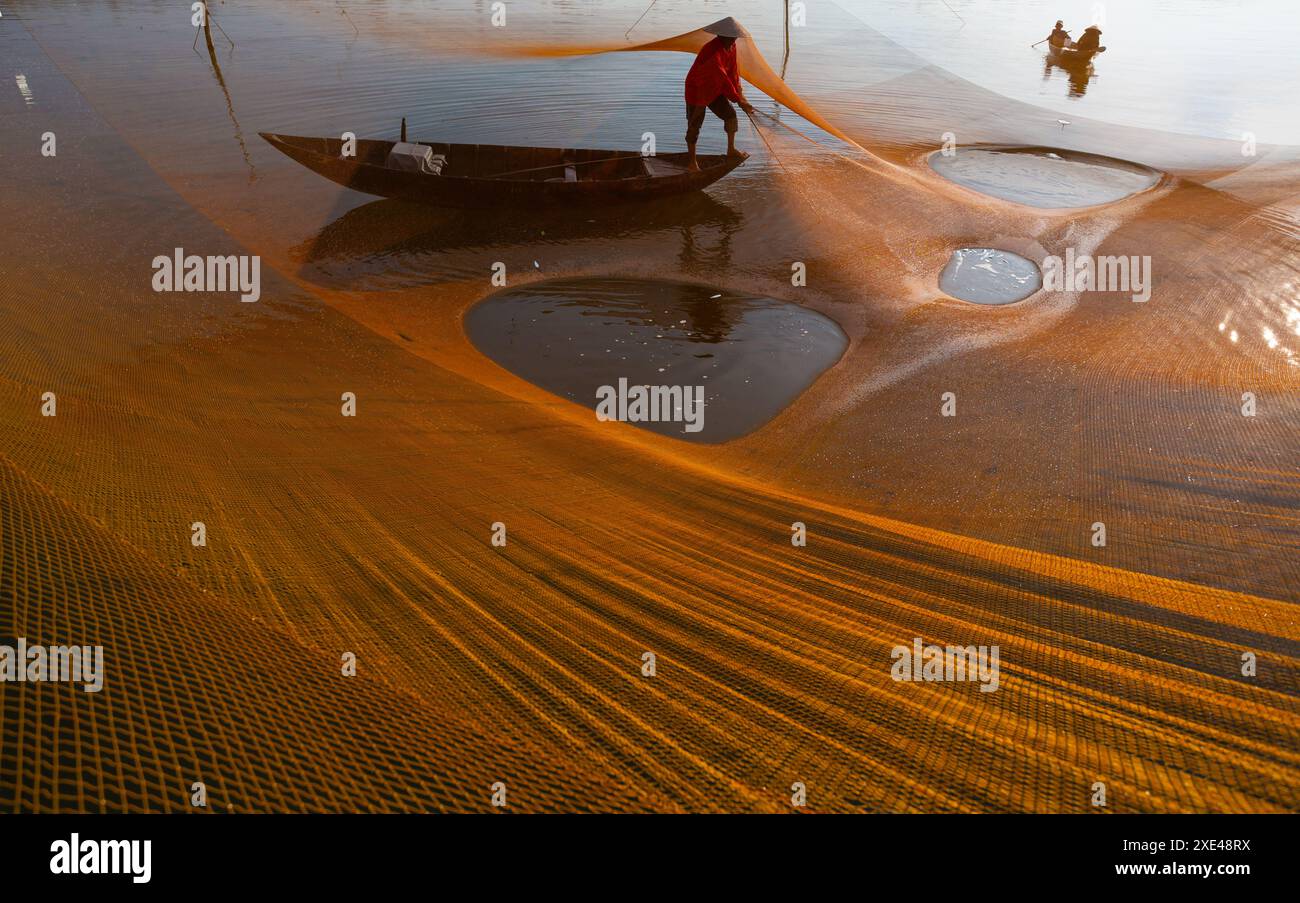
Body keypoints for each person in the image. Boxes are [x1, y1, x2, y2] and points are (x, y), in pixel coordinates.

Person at [684, 17, 754, 172]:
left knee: (730, 115)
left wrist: (741, 97)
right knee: (694, 126)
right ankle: (692, 163)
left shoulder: (732, 47)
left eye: (734, 37)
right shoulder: (711, 51)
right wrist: (738, 99)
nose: (733, 40)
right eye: (731, 37)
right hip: (697, 91)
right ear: (722, 36)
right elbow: (722, 77)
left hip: (715, 89)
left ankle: (731, 149)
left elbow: (733, 73)